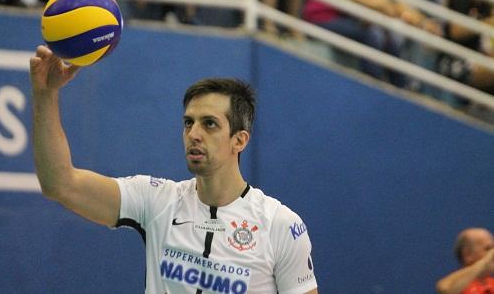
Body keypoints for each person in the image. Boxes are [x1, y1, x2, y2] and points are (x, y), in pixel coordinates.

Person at [29, 45, 318, 294]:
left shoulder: (281, 225)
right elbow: (60, 183)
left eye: (210, 124)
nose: (194, 133)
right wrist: (46, 93)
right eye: (188, 122)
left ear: (239, 140)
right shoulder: (156, 201)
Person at [436, 228, 494, 294]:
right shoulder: (454, 285)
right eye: (488, 249)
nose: (492, 256)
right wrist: (485, 262)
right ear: (467, 254)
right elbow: (446, 291)